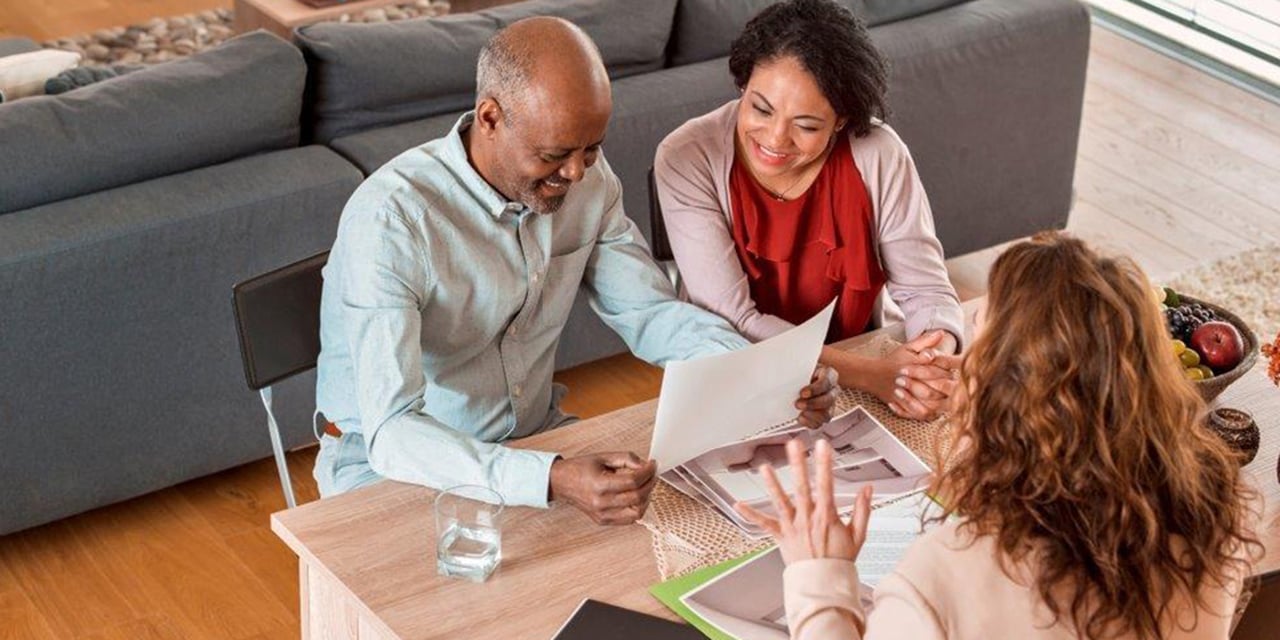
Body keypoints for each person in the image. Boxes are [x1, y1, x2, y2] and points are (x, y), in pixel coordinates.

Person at [311, 17, 839, 526]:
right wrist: (551, 479)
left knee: (684, 537)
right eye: (554, 154)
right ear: (490, 117)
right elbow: (393, 430)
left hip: (536, 440)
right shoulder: (391, 221)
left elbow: (649, 311)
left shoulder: (585, 178)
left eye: (592, 149)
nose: (575, 173)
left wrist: (764, 372)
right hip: (389, 470)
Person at [737, 232, 1262, 639]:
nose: (959, 366)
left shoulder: (941, 576)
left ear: (1005, 396)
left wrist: (819, 576)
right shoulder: (1211, 515)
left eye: (979, 349)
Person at [654, 0, 962, 421]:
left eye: (807, 125)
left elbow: (926, 288)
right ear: (743, 83)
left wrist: (932, 358)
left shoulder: (879, 154)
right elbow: (735, 319)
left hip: (868, 355)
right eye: (761, 109)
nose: (775, 139)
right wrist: (875, 376)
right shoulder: (687, 155)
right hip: (741, 367)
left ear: (841, 121)